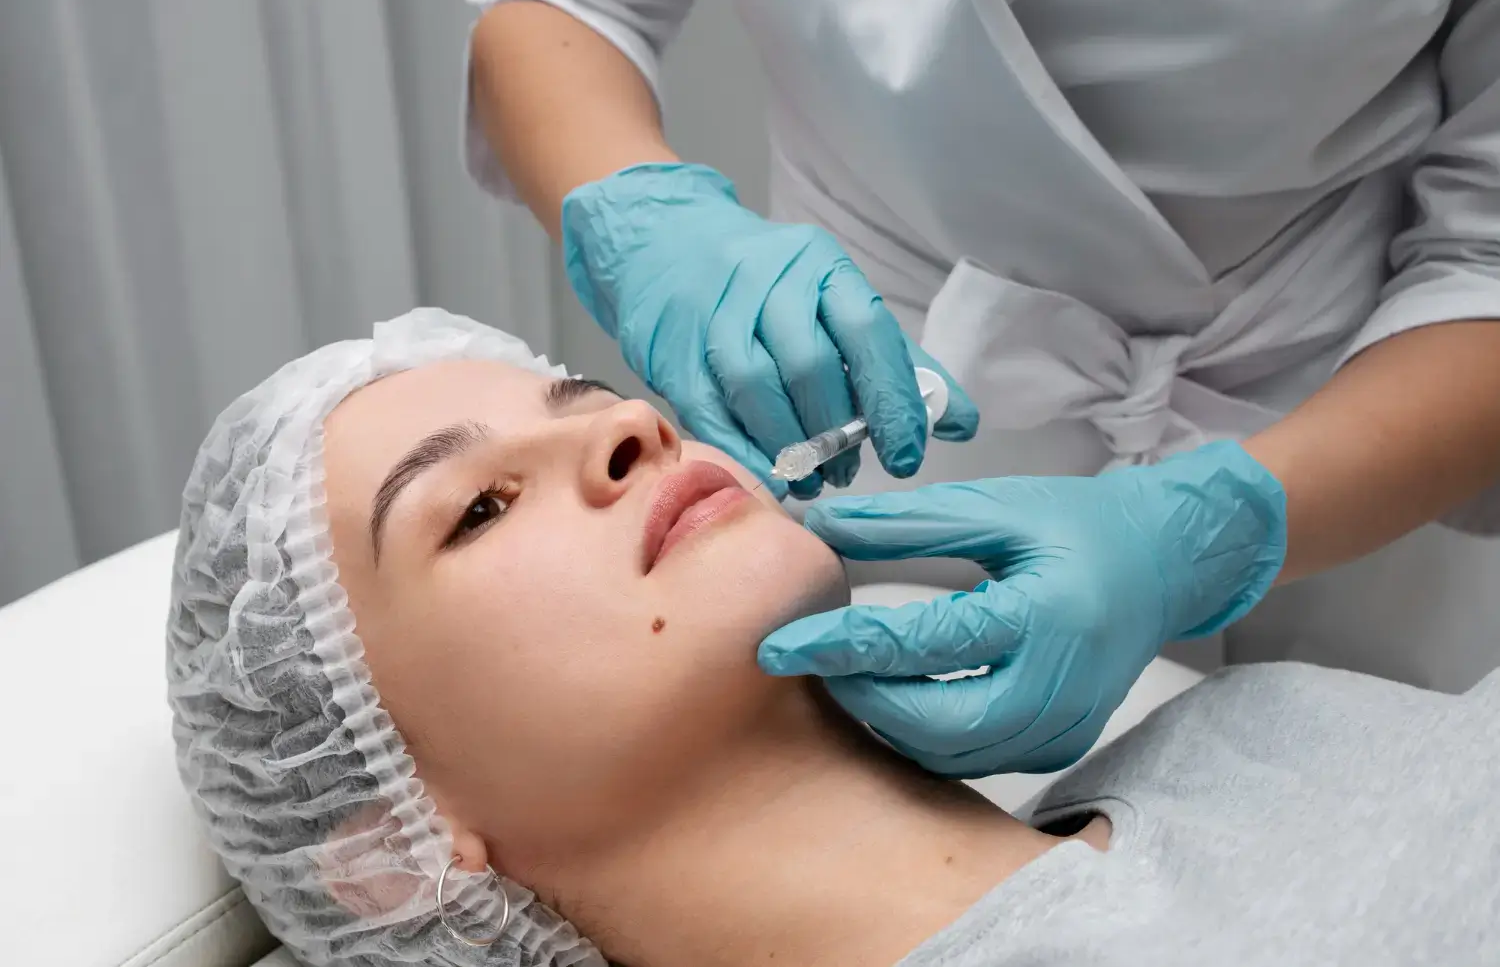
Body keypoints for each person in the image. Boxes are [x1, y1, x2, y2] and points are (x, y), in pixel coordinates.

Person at [167, 309, 1500, 967]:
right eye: (480, 507)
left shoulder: (1242, 724)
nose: (622, 424)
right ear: (398, 858)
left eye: (575, 392)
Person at [460, 0, 1500, 776]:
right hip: (857, 396)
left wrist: (1216, 528)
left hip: (1357, 448)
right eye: (473, 507)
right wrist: (646, 220)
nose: (621, 430)